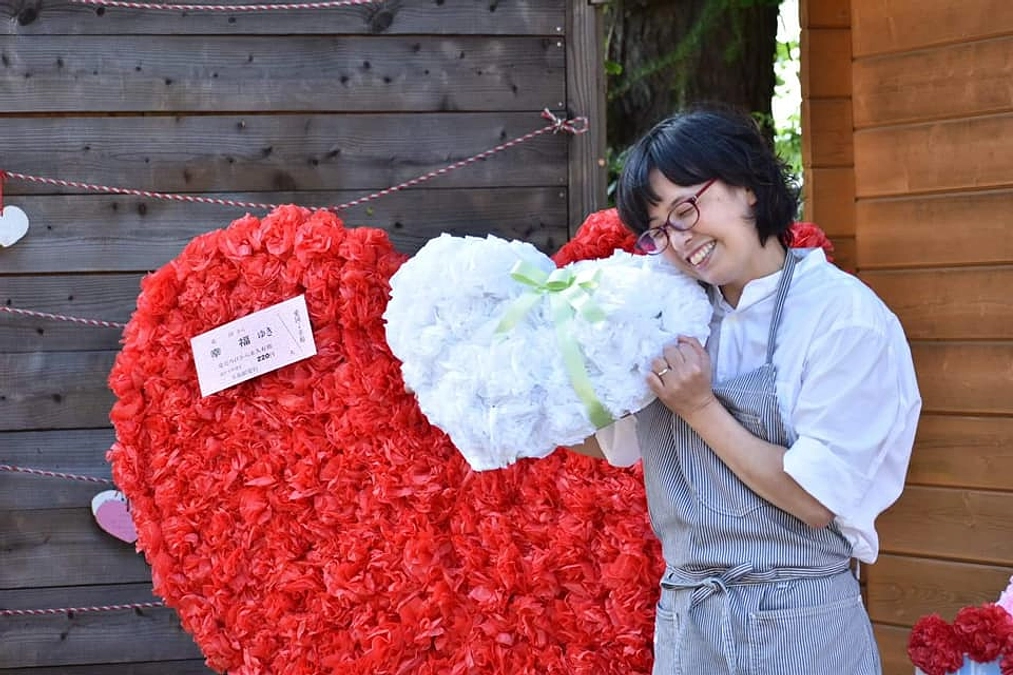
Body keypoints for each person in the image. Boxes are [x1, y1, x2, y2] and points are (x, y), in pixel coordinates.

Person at [568, 106, 921, 674]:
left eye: (685, 209)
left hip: (802, 626)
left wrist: (700, 407)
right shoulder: (670, 316)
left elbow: (816, 500)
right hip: (690, 628)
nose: (679, 241)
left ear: (749, 187)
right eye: (658, 232)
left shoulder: (842, 317)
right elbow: (613, 439)